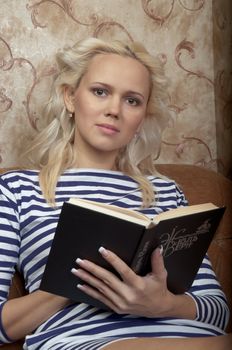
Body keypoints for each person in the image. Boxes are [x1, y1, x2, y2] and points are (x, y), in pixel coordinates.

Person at [0, 37, 231, 350]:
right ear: (70, 97)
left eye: (132, 100)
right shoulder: (18, 190)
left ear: (142, 117)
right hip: (90, 342)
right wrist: (75, 283)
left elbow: (217, 310)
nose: (114, 110)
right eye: (100, 91)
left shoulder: (167, 192)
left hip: (191, 339)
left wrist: (163, 304)